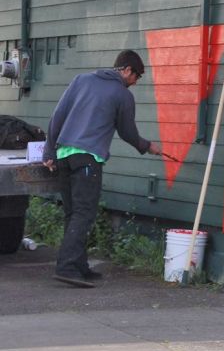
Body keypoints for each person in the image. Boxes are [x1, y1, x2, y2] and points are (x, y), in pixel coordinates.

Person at [43, 50, 162, 288]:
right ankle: (67, 268)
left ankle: (78, 265)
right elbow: (127, 132)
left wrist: (49, 152)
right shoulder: (122, 95)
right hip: (87, 160)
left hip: (64, 156)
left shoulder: (81, 80)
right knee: (84, 214)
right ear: (126, 70)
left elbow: (58, 115)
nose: (136, 82)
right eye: (137, 76)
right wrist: (147, 146)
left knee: (73, 213)